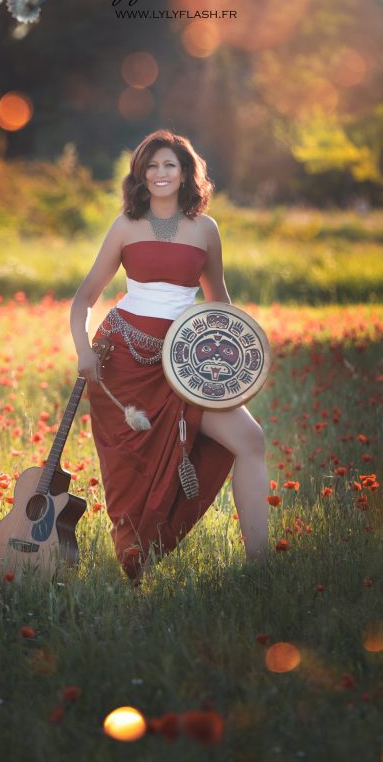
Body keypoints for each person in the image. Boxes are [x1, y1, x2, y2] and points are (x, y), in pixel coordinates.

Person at [69, 129, 270, 585]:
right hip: (124, 361)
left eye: (170, 165)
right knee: (135, 472)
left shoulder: (205, 229)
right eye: (152, 165)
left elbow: (220, 302)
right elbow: (83, 299)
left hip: (186, 364)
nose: (160, 173)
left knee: (250, 440)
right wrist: (84, 352)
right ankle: (136, 560)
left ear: (185, 174)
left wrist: (242, 362)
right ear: (141, 174)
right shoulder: (125, 225)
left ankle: (261, 568)